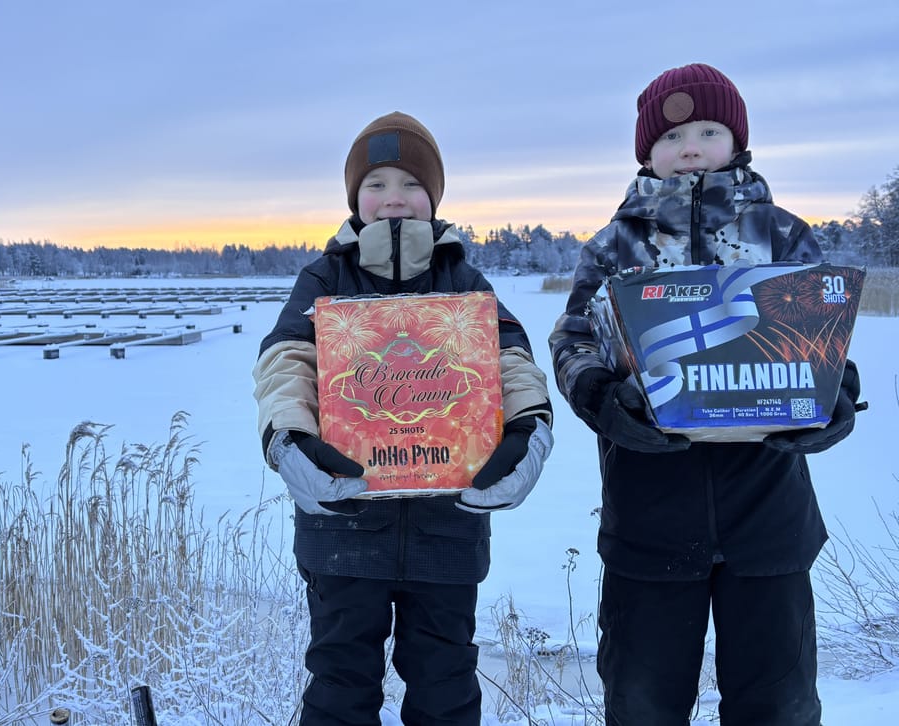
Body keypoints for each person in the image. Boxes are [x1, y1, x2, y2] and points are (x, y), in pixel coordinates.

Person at [548, 64, 864, 726]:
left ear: (738, 143)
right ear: (646, 153)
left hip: (768, 512)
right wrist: (603, 400)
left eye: (708, 131)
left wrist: (833, 397)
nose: (689, 147)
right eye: (671, 136)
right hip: (647, 514)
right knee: (642, 703)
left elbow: (821, 341)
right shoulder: (613, 245)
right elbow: (574, 341)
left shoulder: (784, 235)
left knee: (778, 703)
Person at [252, 111, 554, 725]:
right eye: (377, 184)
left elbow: (512, 362)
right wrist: (290, 438)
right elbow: (286, 361)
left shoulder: (464, 280)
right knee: (340, 680)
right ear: (355, 199)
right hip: (344, 522)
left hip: (449, 524)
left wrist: (528, 430)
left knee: (445, 680)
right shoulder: (325, 277)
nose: (394, 199)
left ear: (435, 197)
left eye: (411, 184)